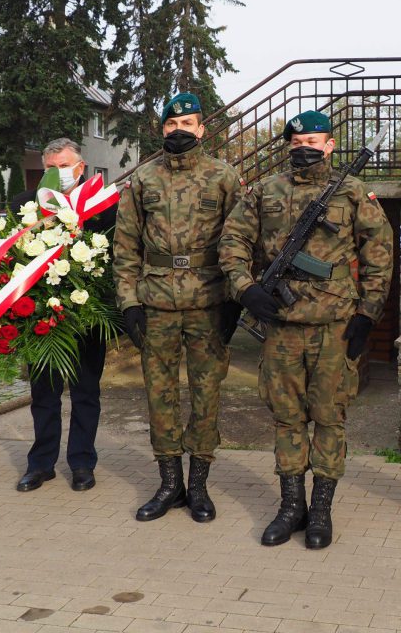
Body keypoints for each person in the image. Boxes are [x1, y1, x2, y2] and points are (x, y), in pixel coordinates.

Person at [219, 110, 393, 549]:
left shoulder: (353, 193)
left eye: (313, 142)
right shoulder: (265, 190)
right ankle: (291, 506)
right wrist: (246, 289)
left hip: (334, 326)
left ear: (330, 145)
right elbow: (233, 241)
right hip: (281, 325)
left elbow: (379, 254)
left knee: (330, 417)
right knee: (287, 418)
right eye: (297, 143)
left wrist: (367, 315)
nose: (304, 149)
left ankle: (321, 510)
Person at [113, 92, 244, 523]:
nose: (179, 130)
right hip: (156, 303)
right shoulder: (143, 179)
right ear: (162, 129)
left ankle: (199, 485)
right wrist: (129, 303)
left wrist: (235, 301)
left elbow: (241, 242)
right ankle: (170, 484)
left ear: (202, 129)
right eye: (172, 124)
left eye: (187, 123)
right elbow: (126, 247)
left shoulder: (224, 177)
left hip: (208, 302)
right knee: (160, 396)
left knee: (207, 395)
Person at [9, 138, 117, 493]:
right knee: (44, 395)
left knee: (86, 393)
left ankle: (82, 463)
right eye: (51, 167)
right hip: (41, 318)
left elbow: (118, 256)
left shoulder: (105, 205)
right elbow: (10, 254)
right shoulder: (25, 204)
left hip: (88, 316)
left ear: (81, 168)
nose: (59, 173)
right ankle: (40, 464)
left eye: (65, 166)